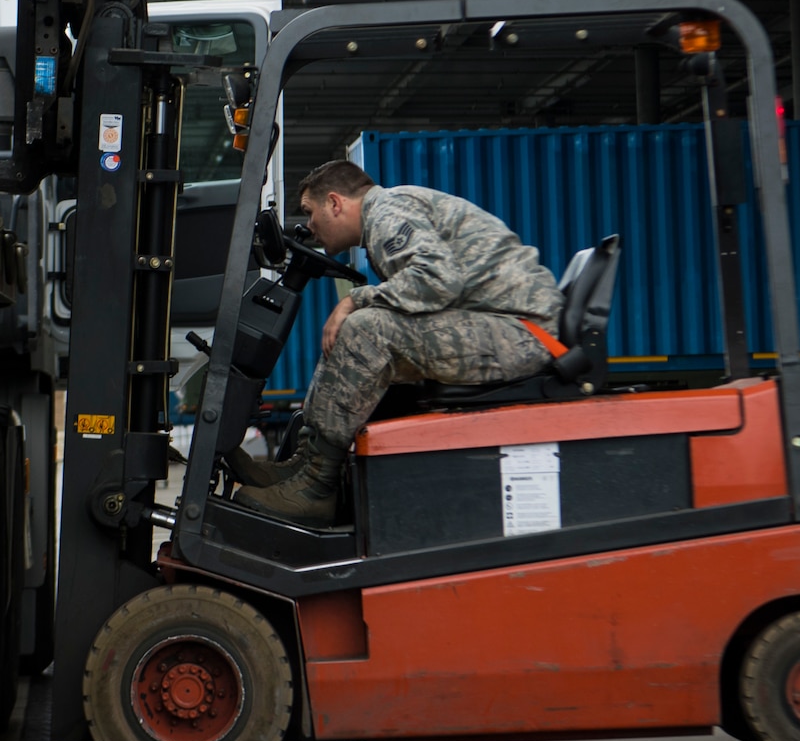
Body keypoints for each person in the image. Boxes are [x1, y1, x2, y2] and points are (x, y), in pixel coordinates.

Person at [232, 160, 565, 525]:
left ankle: (316, 486)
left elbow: (438, 280)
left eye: (311, 214)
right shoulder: (390, 210)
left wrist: (352, 300)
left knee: (365, 329)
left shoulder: (386, 212)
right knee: (358, 330)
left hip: (521, 332)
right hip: (499, 323)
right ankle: (303, 466)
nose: (309, 227)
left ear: (335, 203)